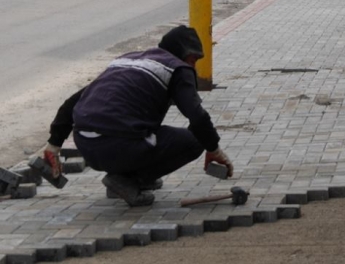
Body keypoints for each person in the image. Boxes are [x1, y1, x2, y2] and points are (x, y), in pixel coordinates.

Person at [42, 25, 233, 207]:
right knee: (196, 140)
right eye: (193, 60)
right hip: (118, 145)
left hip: (85, 144)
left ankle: (124, 182)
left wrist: (53, 146)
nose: (194, 66)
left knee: (141, 131)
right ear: (181, 54)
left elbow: (70, 105)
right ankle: (127, 180)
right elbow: (197, 117)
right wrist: (214, 149)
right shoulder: (177, 68)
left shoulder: (127, 60)